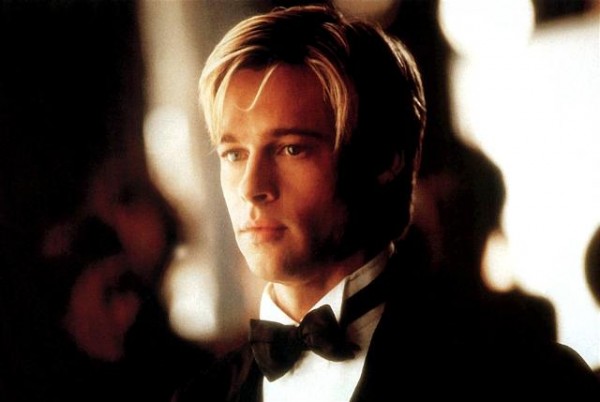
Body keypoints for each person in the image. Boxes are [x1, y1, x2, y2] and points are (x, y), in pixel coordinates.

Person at [174, 4, 600, 401]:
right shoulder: (199, 397)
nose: (251, 187)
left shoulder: (521, 374)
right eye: (234, 154)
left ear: (382, 160)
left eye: (291, 149)